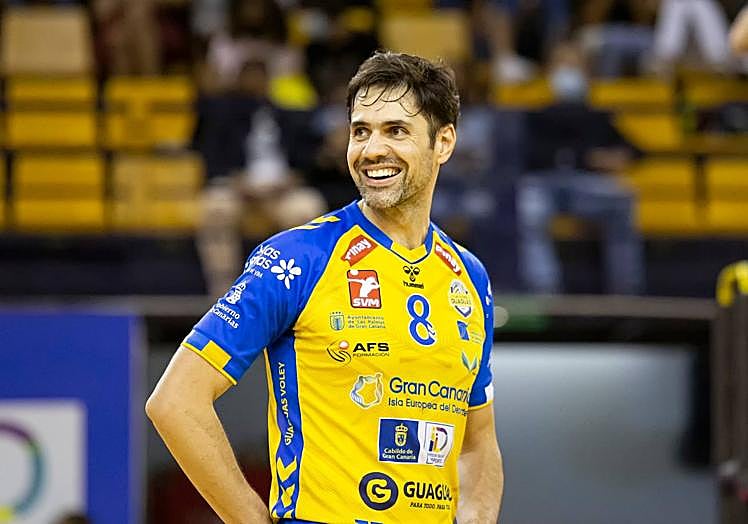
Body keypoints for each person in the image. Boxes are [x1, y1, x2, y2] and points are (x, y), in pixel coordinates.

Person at [147, 51, 504, 522]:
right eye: (361, 131)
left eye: (396, 130)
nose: (371, 149)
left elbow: (477, 441)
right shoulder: (298, 258)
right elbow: (175, 401)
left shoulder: (469, 276)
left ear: (444, 142)